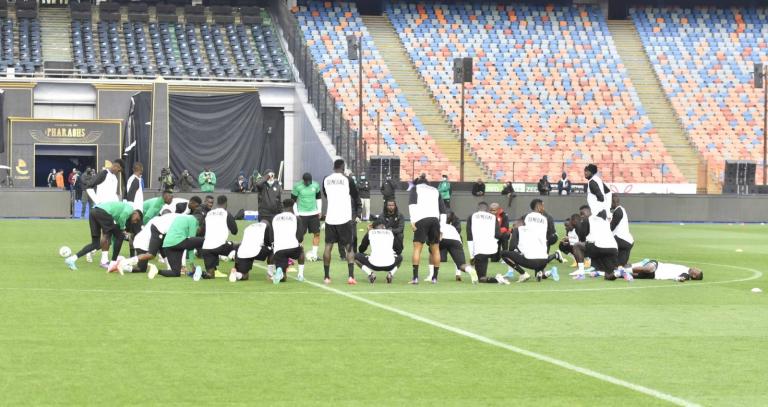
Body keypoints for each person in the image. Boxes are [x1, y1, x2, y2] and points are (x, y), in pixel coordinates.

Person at [64, 201, 143, 271]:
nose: (135, 221)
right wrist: (123, 229)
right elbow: (122, 218)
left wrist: (121, 229)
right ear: (135, 213)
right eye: (137, 219)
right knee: (120, 236)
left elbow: (117, 224)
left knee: (96, 244)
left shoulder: (123, 211)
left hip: (93, 212)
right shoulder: (130, 208)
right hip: (103, 212)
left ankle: (72, 259)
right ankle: (112, 263)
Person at [322, 159, 361, 285]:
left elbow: (326, 195)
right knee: (349, 247)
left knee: (328, 246)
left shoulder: (326, 179)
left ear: (334, 167)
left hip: (330, 218)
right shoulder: (347, 179)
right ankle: (350, 277)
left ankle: (327, 277)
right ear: (343, 167)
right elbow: (355, 194)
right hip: (344, 218)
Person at [117, 210, 182, 277]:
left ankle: (170, 267)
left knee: (162, 248)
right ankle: (123, 264)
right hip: (142, 243)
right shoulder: (161, 223)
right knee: (141, 269)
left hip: (144, 241)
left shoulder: (158, 220)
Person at [408, 174, 445, 284]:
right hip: (435, 220)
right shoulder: (435, 190)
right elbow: (443, 211)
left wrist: (412, 221)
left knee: (417, 248)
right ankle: (435, 278)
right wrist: (442, 228)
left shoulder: (415, 189)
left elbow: (412, 205)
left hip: (421, 219)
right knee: (436, 249)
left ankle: (415, 278)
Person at [575, 205, 621, 280]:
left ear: (590, 211)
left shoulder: (588, 219)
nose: (581, 216)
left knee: (577, 246)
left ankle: (581, 273)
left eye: (582, 213)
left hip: (599, 247)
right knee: (608, 275)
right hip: (613, 249)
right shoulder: (604, 220)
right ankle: (618, 273)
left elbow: (582, 238)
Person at [467, 202, 508, 284]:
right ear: (487, 209)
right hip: (492, 249)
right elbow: (497, 235)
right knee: (482, 274)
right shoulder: (493, 217)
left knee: (481, 278)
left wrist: (472, 256)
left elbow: (470, 236)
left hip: (479, 251)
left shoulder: (472, 216)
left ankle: (498, 279)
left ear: (478, 209)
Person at [154, 214, 204, 279]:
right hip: (178, 242)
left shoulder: (180, 217)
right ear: (199, 225)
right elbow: (191, 244)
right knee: (205, 241)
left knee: (175, 273)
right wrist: (192, 265)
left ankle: (157, 271)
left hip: (167, 245)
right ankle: (211, 270)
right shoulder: (194, 220)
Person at [199, 195, 238, 279]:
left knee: (211, 275)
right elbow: (235, 231)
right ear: (226, 203)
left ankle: (205, 274)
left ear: (217, 203)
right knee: (239, 247)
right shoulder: (226, 213)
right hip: (220, 246)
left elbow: (202, 231)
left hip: (206, 247)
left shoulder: (209, 213)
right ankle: (237, 272)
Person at [355, 218, 404, 284]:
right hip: (390, 265)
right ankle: (390, 274)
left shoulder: (370, 232)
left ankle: (370, 274)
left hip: (374, 265)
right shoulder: (390, 232)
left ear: (373, 227)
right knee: (400, 257)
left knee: (356, 256)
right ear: (384, 226)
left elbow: (361, 249)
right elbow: (399, 249)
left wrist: (368, 233)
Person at [270, 199, 305, 284]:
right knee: (301, 251)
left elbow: (271, 236)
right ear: (293, 207)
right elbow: (300, 238)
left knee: (283, 279)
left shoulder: (275, 218)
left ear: (283, 207)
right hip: (292, 247)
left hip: (279, 250)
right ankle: (300, 275)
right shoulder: (296, 218)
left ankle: (280, 271)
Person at [438, 210, 479, 283]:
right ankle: (469, 270)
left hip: (442, 239)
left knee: (432, 250)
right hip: (456, 241)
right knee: (461, 264)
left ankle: (432, 276)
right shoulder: (453, 228)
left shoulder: (438, 224)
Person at [291, 172, 322, 261]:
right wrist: (296, 214)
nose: (308, 183)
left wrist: (319, 211)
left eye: (310, 181)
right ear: (303, 180)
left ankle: (314, 255)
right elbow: (293, 201)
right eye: (307, 182)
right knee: (301, 235)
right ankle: (300, 254)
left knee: (317, 234)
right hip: (302, 215)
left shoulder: (315, 185)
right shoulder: (297, 186)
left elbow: (318, 198)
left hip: (314, 214)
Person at [610, 195, 634, 268]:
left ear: (613, 202)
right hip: (628, 241)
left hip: (621, 240)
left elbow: (611, 228)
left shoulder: (618, 212)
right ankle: (623, 264)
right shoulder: (622, 209)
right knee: (621, 265)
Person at [629, 260, 703, 282]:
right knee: (648, 269)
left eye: (696, 270)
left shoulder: (686, 274)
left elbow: (682, 277)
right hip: (657, 265)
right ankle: (625, 269)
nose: (695, 268)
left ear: (693, 275)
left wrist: (680, 279)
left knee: (627, 275)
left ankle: (621, 270)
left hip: (653, 275)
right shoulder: (686, 268)